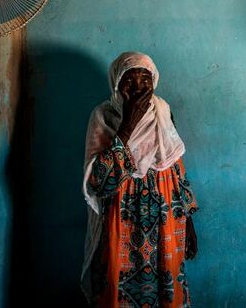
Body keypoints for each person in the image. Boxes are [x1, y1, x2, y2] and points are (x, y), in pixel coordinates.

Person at [81, 52, 198, 307]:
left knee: (167, 288)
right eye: (128, 80)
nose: (137, 87)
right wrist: (128, 123)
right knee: (117, 284)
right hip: (121, 217)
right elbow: (100, 184)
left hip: (168, 216)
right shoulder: (103, 116)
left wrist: (189, 220)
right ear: (116, 84)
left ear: (154, 81)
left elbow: (176, 167)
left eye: (145, 79)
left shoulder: (163, 111)